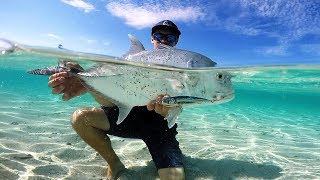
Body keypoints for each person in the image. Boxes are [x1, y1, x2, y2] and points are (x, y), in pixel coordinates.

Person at [48, 20, 185, 180]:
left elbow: (180, 106)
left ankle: (173, 155)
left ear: (176, 41)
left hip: (160, 132)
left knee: (175, 178)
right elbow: (110, 104)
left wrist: (170, 110)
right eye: (159, 35)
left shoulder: (183, 72)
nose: (163, 41)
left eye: (169, 38)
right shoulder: (128, 64)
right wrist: (86, 82)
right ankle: (114, 164)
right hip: (128, 120)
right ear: (152, 39)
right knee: (80, 118)